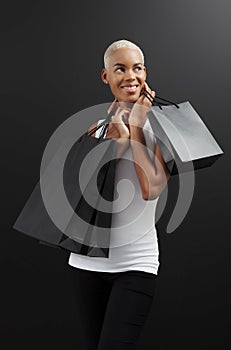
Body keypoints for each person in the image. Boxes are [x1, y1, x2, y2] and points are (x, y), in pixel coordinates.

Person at [68, 39, 171, 350]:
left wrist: (137, 126)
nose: (131, 76)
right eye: (120, 68)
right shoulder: (96, 129)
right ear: (105, 76)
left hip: (136, 265)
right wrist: (117, 140)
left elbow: (151, 188)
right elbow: (84, 190)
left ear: (145, 72)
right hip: (86, 265)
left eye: (137, 67)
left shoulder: (161, 126)